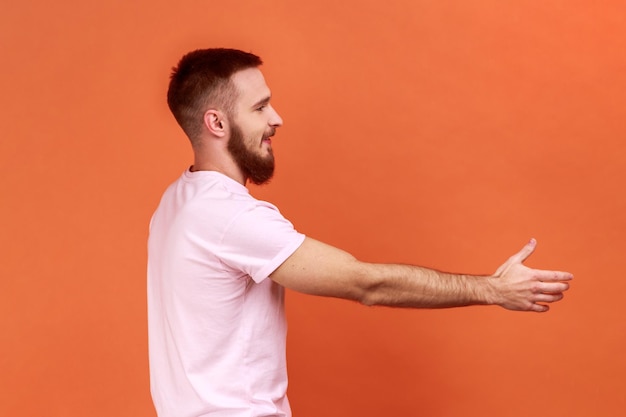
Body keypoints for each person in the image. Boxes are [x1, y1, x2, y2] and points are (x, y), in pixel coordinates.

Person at [147, 48, 573, 417]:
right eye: (259, 108)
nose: (277, 119)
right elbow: (364, 282)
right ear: (217, 123)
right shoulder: (230, 217)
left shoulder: (176, 203)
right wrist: (492, 290)